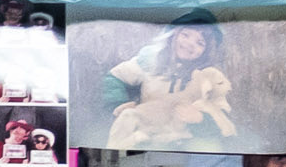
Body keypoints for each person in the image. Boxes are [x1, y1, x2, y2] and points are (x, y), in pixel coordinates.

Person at [99, 15, 236, 148]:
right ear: (173, 35)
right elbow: (114, 77)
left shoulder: (208, 75)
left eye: (200, 43)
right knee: (132, 138)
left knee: (209, 147)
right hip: (149, 128)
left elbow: (222, 114)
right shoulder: (150, 61)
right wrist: (118, 104)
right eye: (185, 35)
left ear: (207, 51)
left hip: (187, 135)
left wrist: (200, 119)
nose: (190, 44)